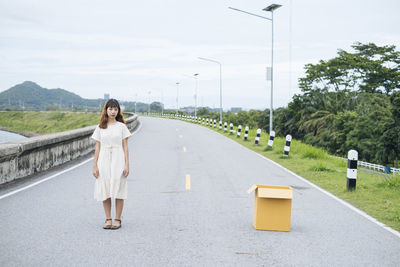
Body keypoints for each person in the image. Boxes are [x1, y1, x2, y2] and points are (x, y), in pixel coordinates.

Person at [91, 99, 132, 230]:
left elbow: (125, 146)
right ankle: (108, 219)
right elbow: (97, 147)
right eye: (110, 109)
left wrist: (127, 165)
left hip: (118, 158)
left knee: (119, 186)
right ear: (106, 110)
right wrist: (95, 165)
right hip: (103, 159)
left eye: (115, 109)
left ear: (118, 111)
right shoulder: (100, 127)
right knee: (105, 187)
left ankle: (118, 219)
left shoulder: (122, 127)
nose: (113, 112)